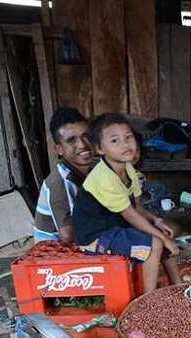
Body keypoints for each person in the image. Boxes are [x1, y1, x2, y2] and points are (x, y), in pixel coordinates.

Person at [72, 113, 181, 293]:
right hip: (96, 237)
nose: (125, 144)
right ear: (100, 149)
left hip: (116, 227)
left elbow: (136, 206)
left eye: (128, 137)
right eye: (115, 141)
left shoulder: (128, 168)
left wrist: (156, 221)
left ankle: (177, 286)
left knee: (161, 232)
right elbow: (130, 215)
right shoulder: (104, 177)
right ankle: (149, 301)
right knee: (154, 243)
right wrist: (162, 238)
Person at [33, 107, 94, 242]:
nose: (82, 144)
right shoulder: (60, 182)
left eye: (86, 136)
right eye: (72, 140)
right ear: (59, 149)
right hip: (54, 254)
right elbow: (68, 236)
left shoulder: (91, 170)